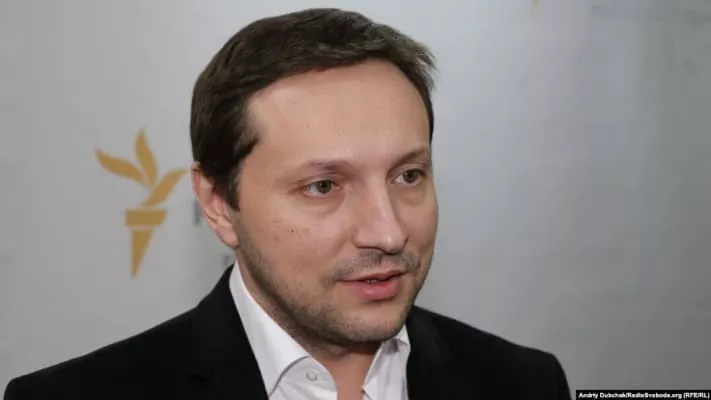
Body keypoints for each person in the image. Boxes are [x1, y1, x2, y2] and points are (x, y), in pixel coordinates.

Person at [4, 8, 572, 400]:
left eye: (408, 175)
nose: (388, 232)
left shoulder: (524, 384)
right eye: (323, 186)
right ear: (218, 203)